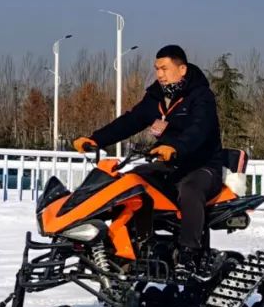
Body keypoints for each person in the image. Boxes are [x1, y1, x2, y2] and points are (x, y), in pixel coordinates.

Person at [72, 44, 224, 280]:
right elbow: (130, 121)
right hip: (168, 166)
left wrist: (176, 147)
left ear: (182, 69)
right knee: (131, 182)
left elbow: (199, 129)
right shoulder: (156, 97)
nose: (159, 74)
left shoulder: (200, 96)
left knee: (190, 191)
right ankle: (127, 248)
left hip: (202, 166)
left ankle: (188, 255)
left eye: (164, 68)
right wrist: (96, 139)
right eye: (156, 69)